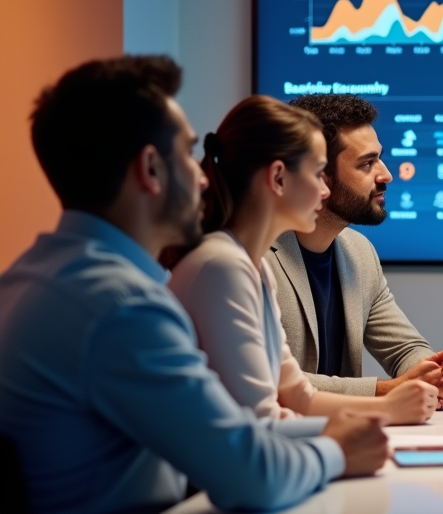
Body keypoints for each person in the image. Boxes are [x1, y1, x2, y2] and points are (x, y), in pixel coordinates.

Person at [0, 57, 389, 514]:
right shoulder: (120, 306)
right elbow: (252, 475)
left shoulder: (32, 278)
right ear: (150, 169)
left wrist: (337, 430)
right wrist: (338, 451)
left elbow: (237, 433)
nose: (204, 174)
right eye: (187, 153)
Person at [167, 96, 437, 426]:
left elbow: (295, 394)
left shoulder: (252, 265)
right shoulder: (223, 266)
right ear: (279, 178)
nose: (323, 191)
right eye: (317, 173)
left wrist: (402, 399)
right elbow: (260, 423)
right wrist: (354, 434)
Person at [265, 94, 443, 408]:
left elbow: (404, 348)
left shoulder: (359, 252)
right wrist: (386, 391)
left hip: (342, 436)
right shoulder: (256, 255)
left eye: (380, 158)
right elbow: (268, 377)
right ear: (320, 173)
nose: (386, 174)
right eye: (367, 163)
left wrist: (437, 373)